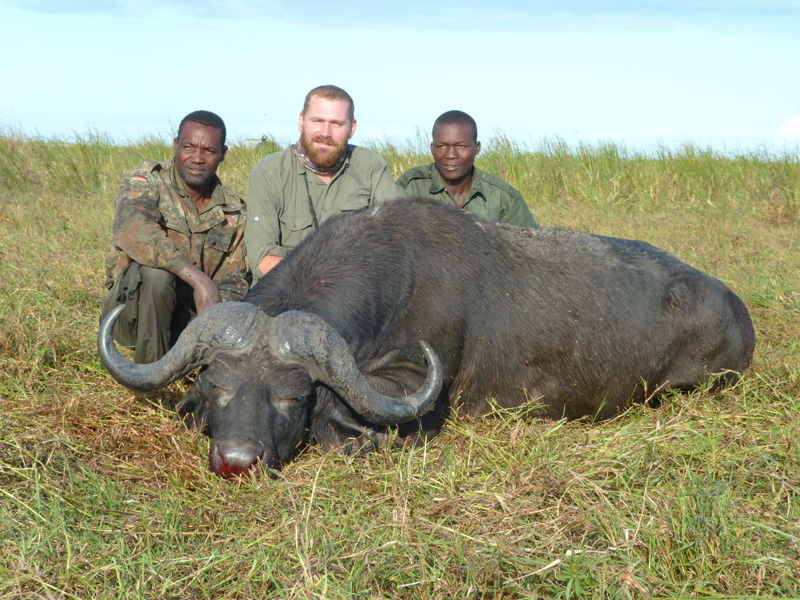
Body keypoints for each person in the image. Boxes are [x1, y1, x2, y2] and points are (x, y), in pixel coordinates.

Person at [100, 110, 249, 364]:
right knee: (156, 275)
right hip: (133, 314)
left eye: (209, 151)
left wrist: (213, 321)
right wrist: (199, 280)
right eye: (189, 147)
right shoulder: (146, 181)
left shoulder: (234, 210)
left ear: (223, 153)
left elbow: (234, 283)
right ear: (175, 145)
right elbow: (134, 230)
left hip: (191, 319)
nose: (197, 158)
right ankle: (147, 380)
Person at [244, 85, 404, 280]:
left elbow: (399, 241)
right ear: (302, 121)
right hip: (284, 292)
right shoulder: (268, 172)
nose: (325, 133)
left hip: (354, 295)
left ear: (351, 128)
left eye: (336, 124)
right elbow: (263, 260)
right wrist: (324, 282)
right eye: (317, 121)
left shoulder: (371, 167)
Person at [397, 110, 538, 227]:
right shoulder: (409, 188)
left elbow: (530, 251)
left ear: (477, 148)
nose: (451, 155)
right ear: (432, 148)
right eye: (442, 146)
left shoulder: (504, 199)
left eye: (461, 146)